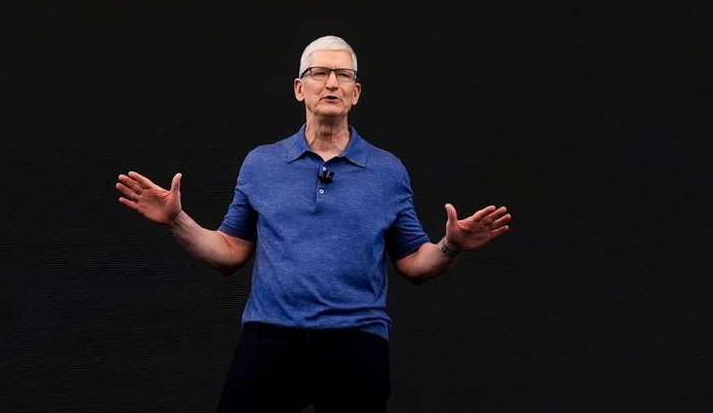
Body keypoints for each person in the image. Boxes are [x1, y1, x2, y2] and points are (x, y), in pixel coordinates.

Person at [116, 35, 511, 411]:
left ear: (356, 93)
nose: (332, 83)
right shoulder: (262, 163)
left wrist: (451, 245)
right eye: (319, 73)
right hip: (271, 338)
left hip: (356, 341)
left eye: (344, 76)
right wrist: (177, 220)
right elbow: (229, 253)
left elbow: (415, 264)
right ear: (299, 88)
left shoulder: (387, 171)